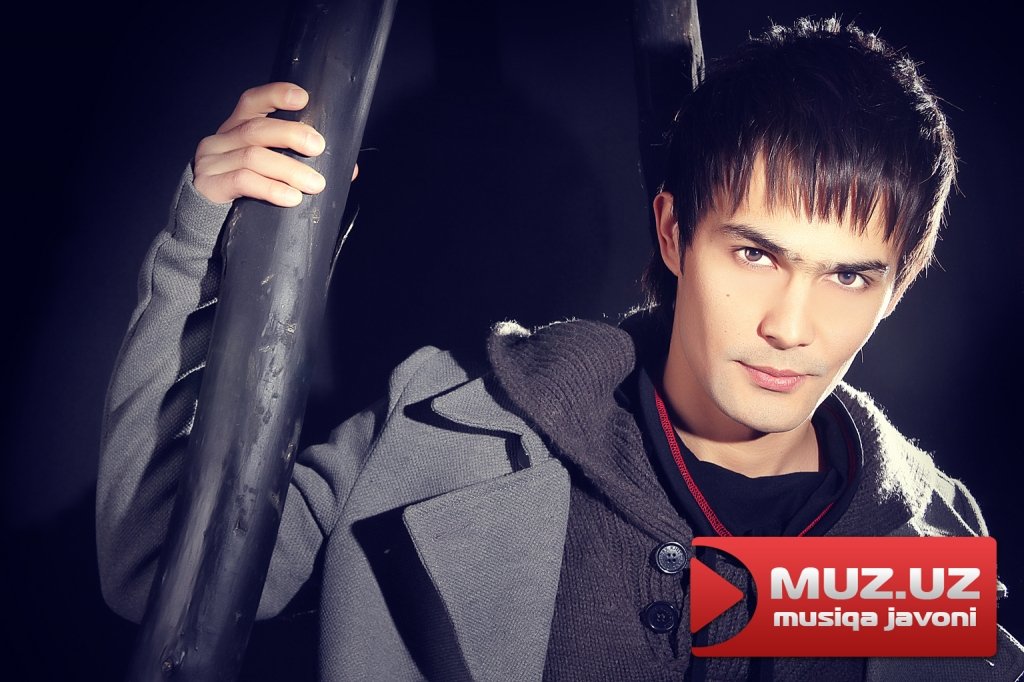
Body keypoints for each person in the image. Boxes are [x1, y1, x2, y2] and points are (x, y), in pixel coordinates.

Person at [96, 17, 1024, 681]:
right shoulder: (447, 434)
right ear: (674, 235)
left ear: (897, 289)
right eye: (755, 253)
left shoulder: (927, 539)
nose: (792, 323)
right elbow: (159, 578)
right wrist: (204, 242)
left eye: (848, 276)